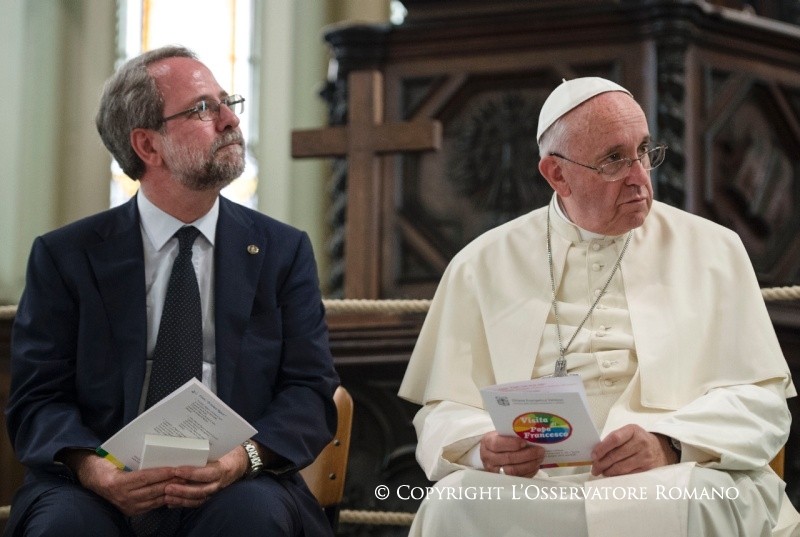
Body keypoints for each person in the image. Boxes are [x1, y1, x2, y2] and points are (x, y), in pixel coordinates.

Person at [398, 77, 800, 536]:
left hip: (675, 475)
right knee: (452, 504)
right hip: (535, 489)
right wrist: (482, 448)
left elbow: (762, 404)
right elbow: (443, 410)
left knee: (700, 501)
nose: (639, 176)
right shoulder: (480, 265)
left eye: (644, 151)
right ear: (557, 174)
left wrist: (670, 443)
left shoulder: (713, 251)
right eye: (614, 160)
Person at [4, 45, 339, 537]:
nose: (229, 120)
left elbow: (309, 390)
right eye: (203, 108)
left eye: (228, 102)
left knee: (252, 517)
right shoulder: (65, 257)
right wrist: (95, 471)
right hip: (94, 482)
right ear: (147, 145)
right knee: (65, 525)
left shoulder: (281, 252)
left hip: (241, 480)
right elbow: (38, 399)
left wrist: (241, 460)